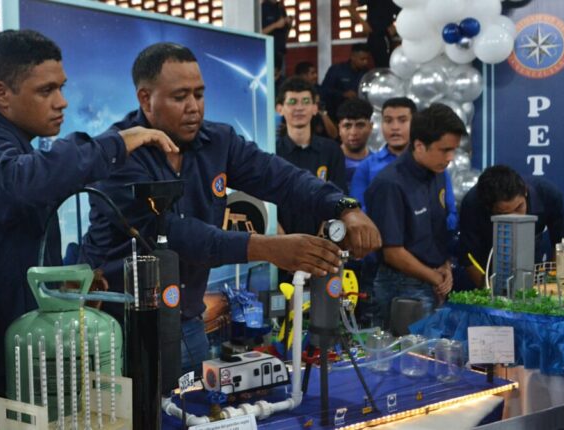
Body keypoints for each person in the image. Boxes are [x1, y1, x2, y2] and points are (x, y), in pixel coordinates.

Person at [78, 42, 381, 375]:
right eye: (180, 97)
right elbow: (172, 234)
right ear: (145, 98)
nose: (194, 107)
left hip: (188, 325)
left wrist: (344, 206)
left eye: (199, 94)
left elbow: (281, 178)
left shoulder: (218, 141)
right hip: (119, 331)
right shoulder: (117, 154)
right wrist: (268, 248)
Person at [0, 30, 176, 429]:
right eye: (46, 90)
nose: (61, 101)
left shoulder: (12, 143)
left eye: (62, 88)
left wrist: (62, 287)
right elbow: (22, 183)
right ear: (1, 94)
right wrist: (116, 143)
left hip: (23, 356)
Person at [365, 103, 466, 329]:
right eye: (445, 150)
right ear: (419, 145)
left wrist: (445, 267)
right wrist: (435, 278)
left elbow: (438, 230)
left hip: (435, 279)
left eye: (454, 150)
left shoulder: (438, 173)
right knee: (408, 351)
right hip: (401, 286)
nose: (450, 157)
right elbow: (392, 252)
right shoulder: (389, 184)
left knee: (434, 349)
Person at [350, 97, 458, 230]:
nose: (395, 127)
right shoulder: (366, 167)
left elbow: (450, 212)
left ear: (415, 123)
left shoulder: (434, 164)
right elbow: (357, 214)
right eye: (388, 121)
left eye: (402, 120)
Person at [457, 165, 564, 288]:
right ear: (489, 208)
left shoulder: (548, 194)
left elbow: (561, 245)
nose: (515, 218)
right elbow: (468, 259)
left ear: (525, 191)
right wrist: (489, 292)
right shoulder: (472, 203)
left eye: (519, 207)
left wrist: (551, 284)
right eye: (504, 214)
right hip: (490, 265)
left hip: (532, 269)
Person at [276, 77, 347, 238]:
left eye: (306, 101)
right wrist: (282, 240)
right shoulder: (271, 151)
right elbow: (264, 201)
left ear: (315, 108)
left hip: (323, 240)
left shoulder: (331, 150)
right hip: (281, 242)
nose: (299, 108)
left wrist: (323, 235)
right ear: (279, 108)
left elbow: (340, 195)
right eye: (292, 102)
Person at [319, 43, 370, 123]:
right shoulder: (336, 70)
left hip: (359, 115)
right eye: (362, 59)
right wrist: (343, 94)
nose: (365, 62)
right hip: (337, 116)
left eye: (367, 59)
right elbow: (324, 91)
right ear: (353, 57)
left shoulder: (367, 73)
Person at [293, 61, 337, 139]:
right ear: (303, 76)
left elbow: (334, 132)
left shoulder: (322, 92)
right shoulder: (292, 94)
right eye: (312, 73)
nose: (316, 76)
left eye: (315, 73)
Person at [336, 98, 373, 187]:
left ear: (370, 127)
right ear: (339, 129)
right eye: (347, 126)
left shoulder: (379, 164)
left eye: (360, 125)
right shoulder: (328, 162)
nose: (353, 132)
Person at [357, 0, 401, 67]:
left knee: (386, 64)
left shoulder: (394, 1)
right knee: (381, 64)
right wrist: (363, 23)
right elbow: (350, 7)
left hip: (385, 36)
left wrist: (396, 26)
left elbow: (403, 15)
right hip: (374, 36)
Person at [261, 0, 293, 72]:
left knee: (280, 77)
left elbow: (285, 35)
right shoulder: (262, 9)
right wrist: (275, 25)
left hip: (280, 52)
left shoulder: (280, 8)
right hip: (267, 53)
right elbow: (259, 33)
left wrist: (289, 26)